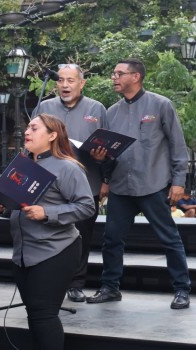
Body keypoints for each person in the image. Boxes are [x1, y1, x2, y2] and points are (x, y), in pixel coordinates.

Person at [87, 58, 192, 309]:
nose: (113, 77)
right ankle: (110, 287)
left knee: (170, 238)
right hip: (121, 187)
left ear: (136, 77)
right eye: (113, 73)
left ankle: (182, 290)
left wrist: (179, 182)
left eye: (119, 73)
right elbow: (110, 155)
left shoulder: (160, 105)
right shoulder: (111, 112)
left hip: (153, 185)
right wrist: (101, 160)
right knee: (112, 240)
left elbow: (178, 146)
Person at [0, 114, 94, 350]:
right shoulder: (24, 165)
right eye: (27, 127)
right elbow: (19, 206)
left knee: (44, 315)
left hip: (55, 251)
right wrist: (2, 207)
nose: (27, 131)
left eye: (34, 128)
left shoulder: (67, 167)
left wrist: (47, 213)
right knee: (34, 315)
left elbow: (87, 206)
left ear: (52, 135)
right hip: (24, 253)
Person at [34, 63, 108, 303]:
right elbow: (34, 140)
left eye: (71, 80)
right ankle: (50, 279)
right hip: (50, 183)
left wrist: (104, 168)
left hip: (87, 182)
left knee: (82, 236)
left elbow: (107, 146)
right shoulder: (44, 107)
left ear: (82, 83)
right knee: (48, 230)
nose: (65, 85)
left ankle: (76, 283)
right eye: (61, 80)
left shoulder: (96, 108)